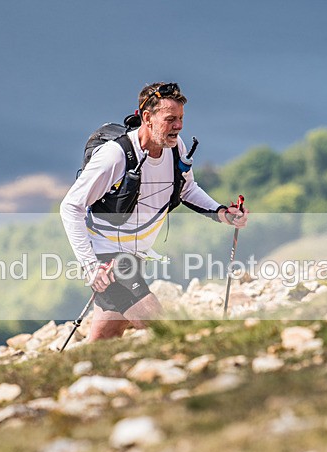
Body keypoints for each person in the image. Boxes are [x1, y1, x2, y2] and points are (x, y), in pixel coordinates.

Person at [60, 82, 248, 342]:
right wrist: (91, 267)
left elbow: (187, 189)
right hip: (108, 260)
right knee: (162, 328)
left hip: (136, 254)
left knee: (106, 338)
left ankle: (84, 368)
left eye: (181, 118)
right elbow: (71, 206)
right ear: (147, 118)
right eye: (170, 119)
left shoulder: (176, 148)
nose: (178, 126)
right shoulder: (115, 156)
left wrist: (221, 212)